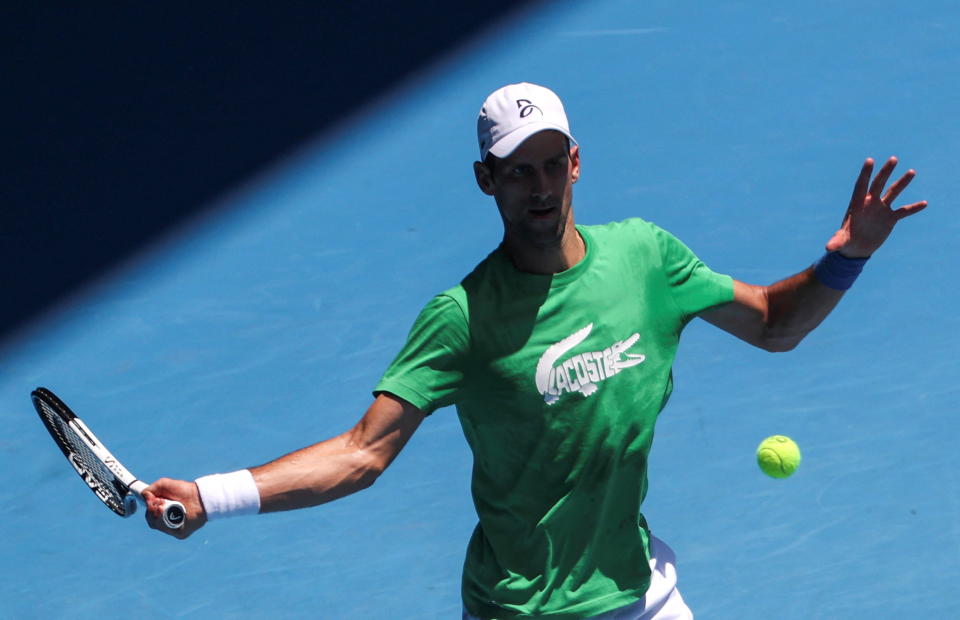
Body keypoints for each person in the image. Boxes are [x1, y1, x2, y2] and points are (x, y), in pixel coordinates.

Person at [144, 82, 927, 619]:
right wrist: (214, 496)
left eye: (553, 162)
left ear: (577, 162)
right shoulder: (464, 319)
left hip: (638, 587)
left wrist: (847, 256)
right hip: (524, 608)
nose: (541, 186)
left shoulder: (647, 258)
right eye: (518, 170)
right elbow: (360, 454)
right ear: (486, 180)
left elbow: (772, 323)